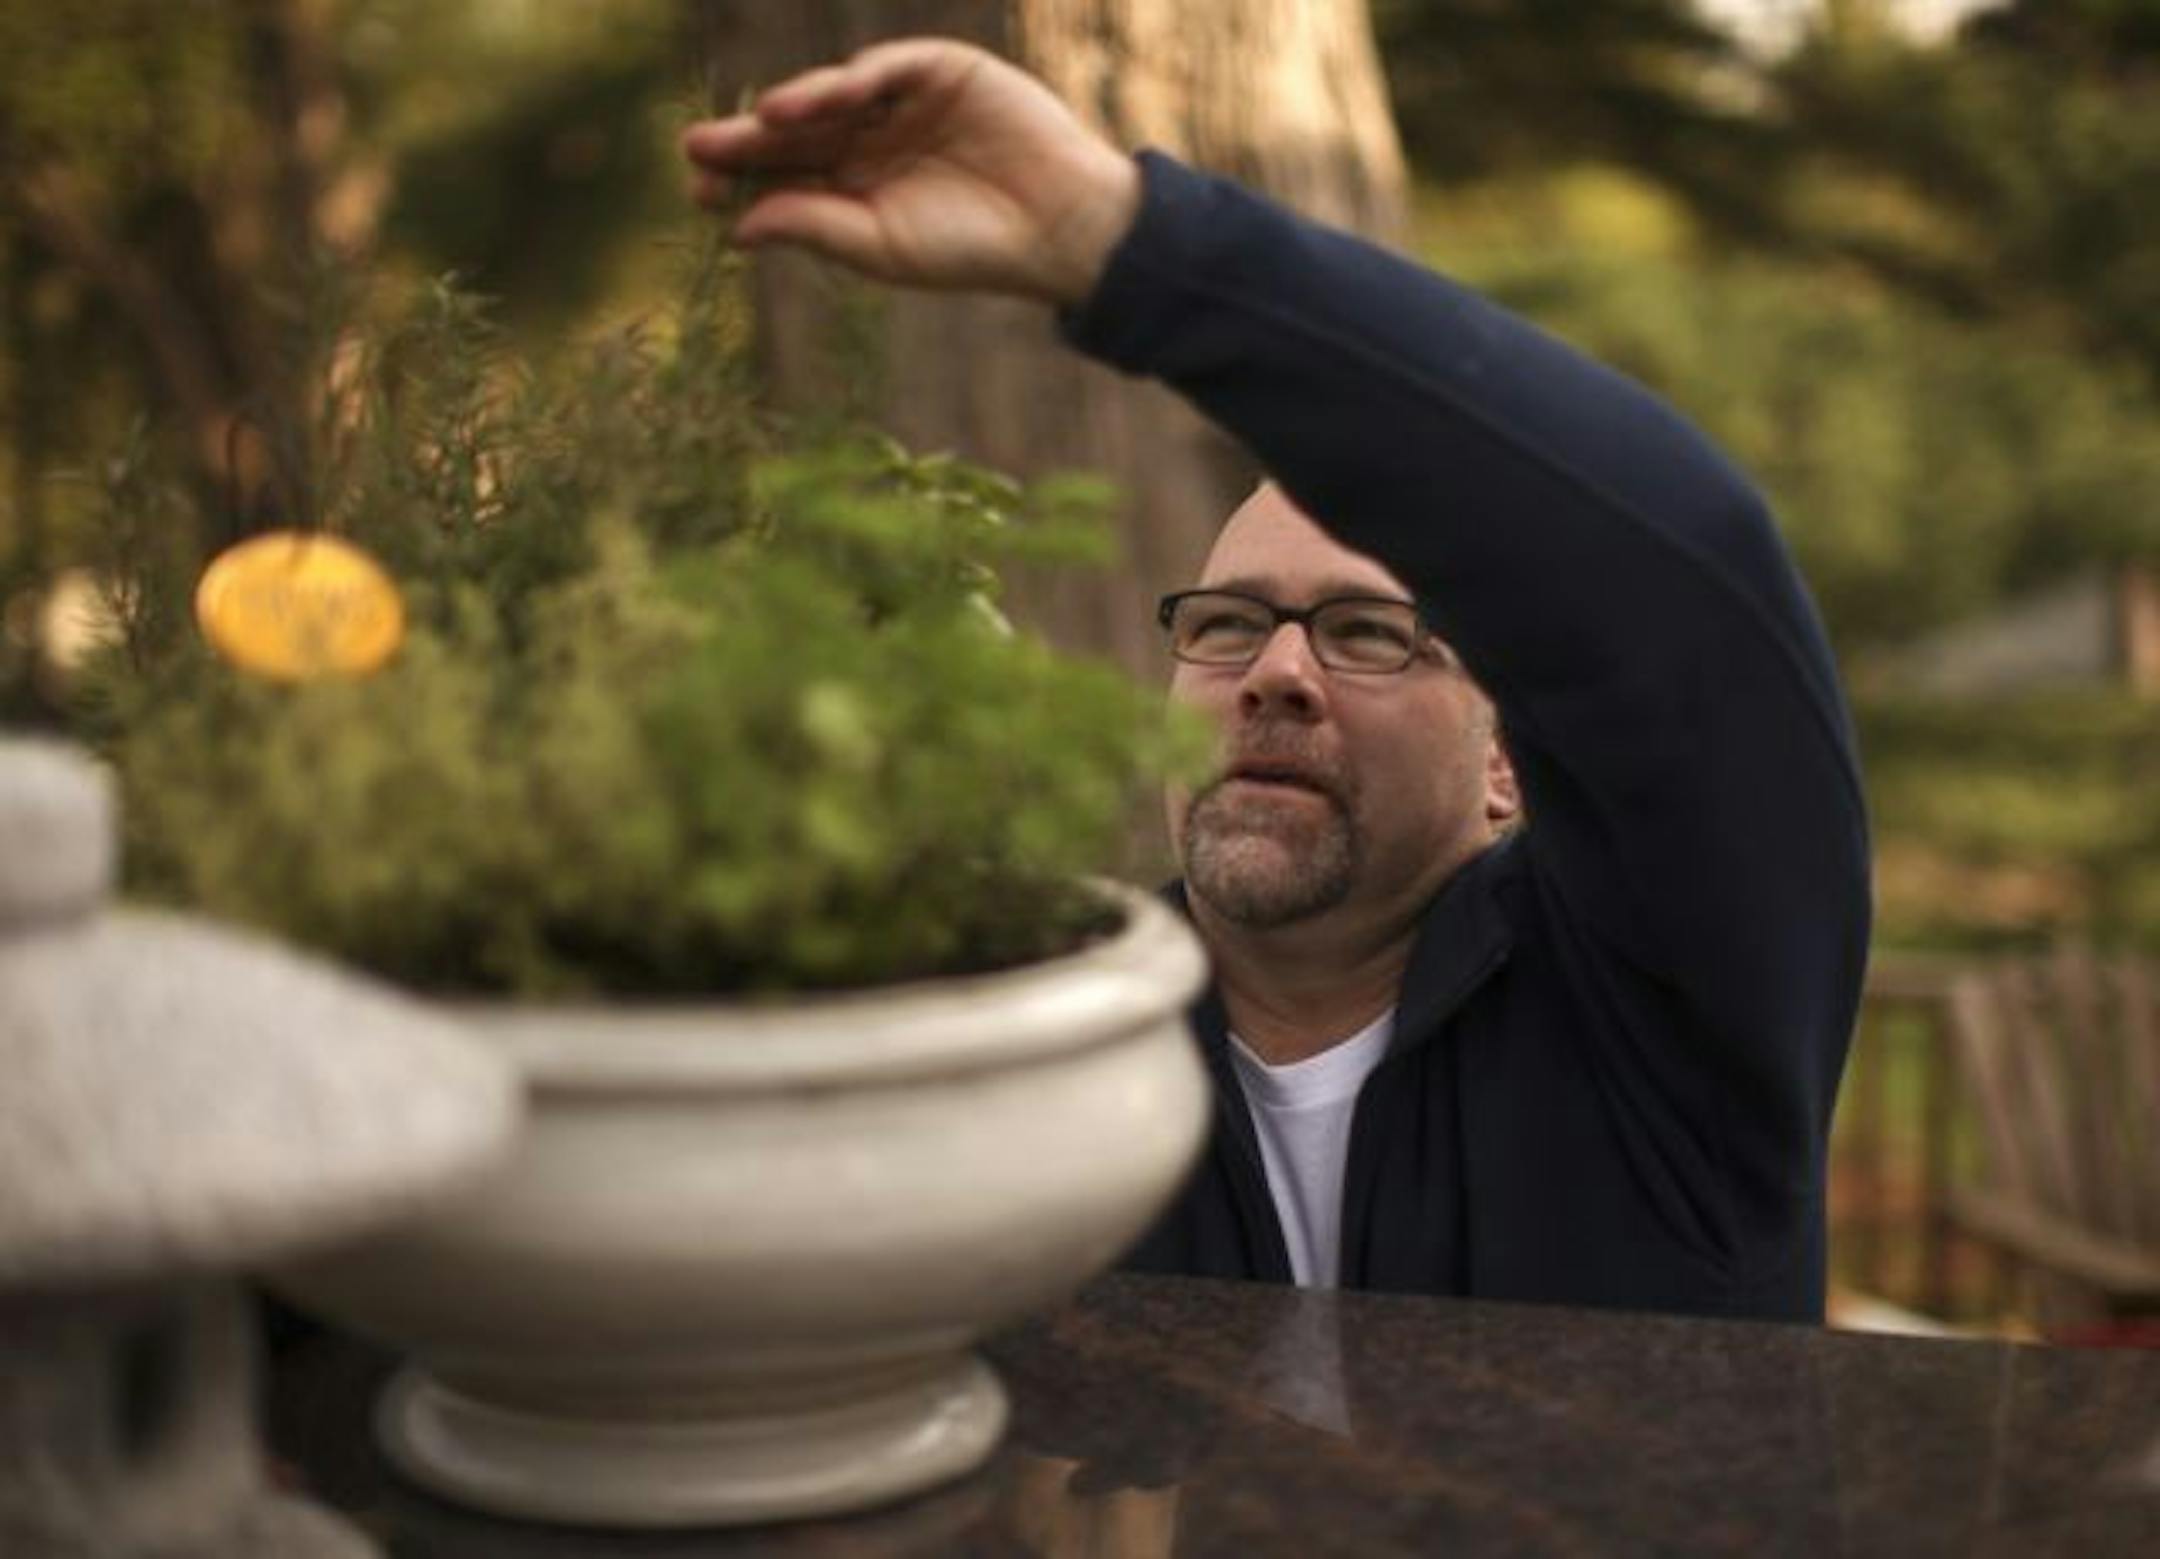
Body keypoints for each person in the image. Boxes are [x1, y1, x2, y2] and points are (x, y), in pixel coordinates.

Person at [683, 39, 1871, 1323]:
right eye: (1230, 623)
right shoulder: (1044, 1049)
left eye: (1366, 631)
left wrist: (1122, 240)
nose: (1277, 675)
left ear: (1508, 758)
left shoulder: (1664, 1012)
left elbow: (1683, 588)